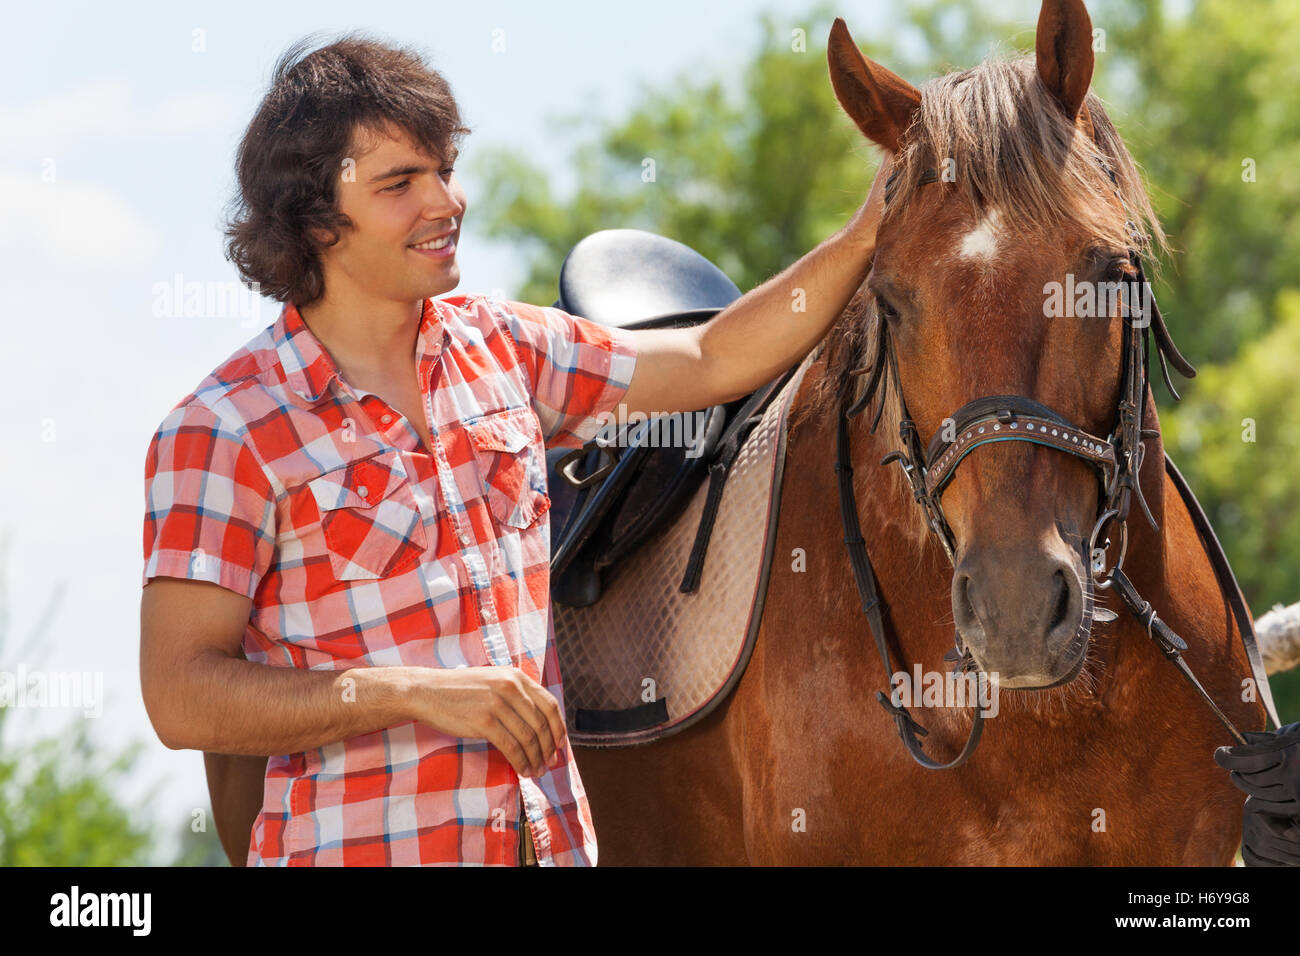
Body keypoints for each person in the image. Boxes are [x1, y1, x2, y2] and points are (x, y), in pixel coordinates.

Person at [139, 33, 888, 867]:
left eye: (445, 170)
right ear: (317, 220)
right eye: (400, 184)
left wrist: (869, 233)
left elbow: (713, 357)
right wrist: (412, 693)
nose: (446, 204)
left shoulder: (504, 347)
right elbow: (179, 696)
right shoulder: (223, 428)